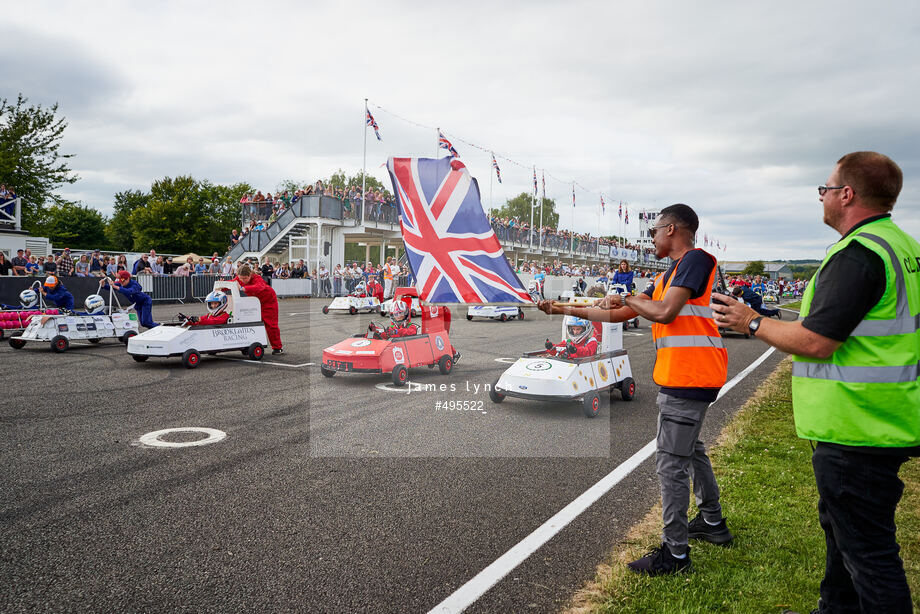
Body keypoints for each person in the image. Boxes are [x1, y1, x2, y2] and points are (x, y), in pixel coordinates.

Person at [713, 152, 919, 613]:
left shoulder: (859, 254)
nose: (822, 196)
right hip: (880, 417)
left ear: (847, 195)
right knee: (845, 540)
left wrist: (750, 323)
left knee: (870, 556)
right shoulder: (902, 245)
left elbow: (816, 341)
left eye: (825, 188)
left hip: (858, 424)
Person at [538, 203, 730, 575]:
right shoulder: (668, 275)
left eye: (654, 231)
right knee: (691, 451)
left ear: (672, 229)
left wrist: (626, 297)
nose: (651, 239)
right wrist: (562, 309)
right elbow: (617, 315)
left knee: (670, 463)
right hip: (689, 374)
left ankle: (675, 555)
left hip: (689, 376)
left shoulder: (695, 260)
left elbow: (664, 313)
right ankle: (712, 521)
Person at [233, 264, 282, 354]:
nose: (242, 280)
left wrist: (244, 288)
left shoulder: (257, 278)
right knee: (251, 323)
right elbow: (231, 283)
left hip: (268, 301)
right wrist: (221, 286)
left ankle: (277, 347)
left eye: (245, 278)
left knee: (271, 324)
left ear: (250, 275)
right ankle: (249, 345)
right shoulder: (238, 278)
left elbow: (260, 287)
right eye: (241, 278)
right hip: (254, 302)